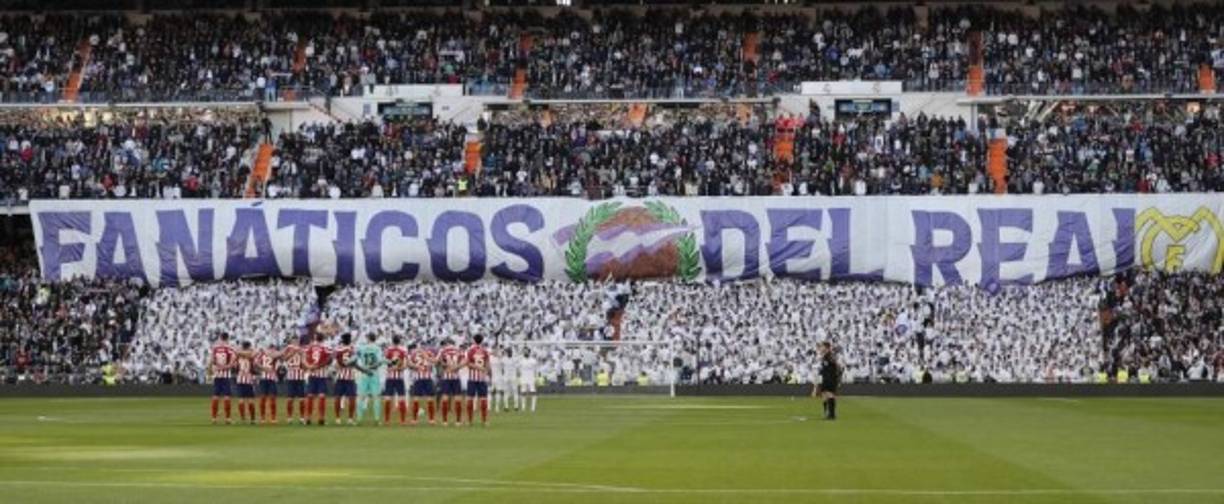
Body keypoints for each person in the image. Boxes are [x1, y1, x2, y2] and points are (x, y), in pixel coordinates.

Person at [354, 333, 384, 425]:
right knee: (376, 397)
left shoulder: (362, 348)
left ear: (368, 338)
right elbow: (379, 362)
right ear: (375, 339)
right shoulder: (378, 349)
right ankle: (377, 419)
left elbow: (354, 360)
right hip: (374, 373)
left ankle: (359, 419)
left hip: (364, 373)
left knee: (360, 397)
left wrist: (364, 368)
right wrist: (372, 368)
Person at [303, 332, 332, 425]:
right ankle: (321, 418)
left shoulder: (309, 347)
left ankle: (308, 418)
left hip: (312, 375)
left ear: (315, 338)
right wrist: (320, 365)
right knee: (321, 397)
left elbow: (303, 358)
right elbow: (330, 358)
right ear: (323, 339)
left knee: (310, 396)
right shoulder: (326, 348)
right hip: (322, 376)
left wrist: (308, 366)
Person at [208, 332, 237, 425]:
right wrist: (225, 367)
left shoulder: (215, 348)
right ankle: (227, 419)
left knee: (215, 396)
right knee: (227, 396)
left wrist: (217, 367)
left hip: (217, 375)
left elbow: (212, 361)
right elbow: (232, 363)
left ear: (220, 338)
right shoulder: (231, 348)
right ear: (228, 338)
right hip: (226, 375)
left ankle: (214, 418)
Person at [332, 333, 360, 426]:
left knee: (337, 397)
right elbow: (356, 362)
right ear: (350, 340)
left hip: (340, 377)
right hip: (350, 377)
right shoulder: (353, 350)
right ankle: (350, 419)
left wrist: (340, 366)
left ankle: (337, 419)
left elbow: (335, 365)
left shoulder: (338, 350)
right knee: (352, 398)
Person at [465, 334, 492, 427]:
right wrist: (487, 373)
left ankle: (469, 421)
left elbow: (468, 364)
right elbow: (488, 365)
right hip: (482, 378)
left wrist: (477, 368)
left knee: (470, 399)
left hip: (472, 378)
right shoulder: (485, 351)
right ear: (482, 340)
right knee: (483, 399)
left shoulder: (470, 350)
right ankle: (484, 421)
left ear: (473, 340)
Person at [437, 339, 465, 426]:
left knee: (445, 398)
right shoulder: (458, 351)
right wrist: (457, 367)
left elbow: (438, 361)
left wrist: (444, 365)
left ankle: (445, 421)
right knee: (458, 399)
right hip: (456, 377)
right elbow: (464, 361)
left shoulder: (443, 351)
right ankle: (458, 421)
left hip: (446, 377)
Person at [382, 336, 409, 426]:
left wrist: (391, 368)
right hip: (399, 378)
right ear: (399, 341)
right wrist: (398, 368)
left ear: (392, 341)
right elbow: (405, 365)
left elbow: (384, 362)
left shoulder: (388, 351)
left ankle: (387, 420)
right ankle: (403, 420)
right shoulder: (403, 351)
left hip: (389, 378)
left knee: (387, 399)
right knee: (402, 399)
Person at [408, 341, 437, 425]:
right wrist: (415, 366)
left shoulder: (426, 353)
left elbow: (435, 361)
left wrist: (426, 358)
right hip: (419, 379)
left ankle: (430, 419)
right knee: (417, 399)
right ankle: (416, 419)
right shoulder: (416, 354)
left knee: (429, 399)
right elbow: (409, 363)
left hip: (426, 379)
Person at [812, 342, 842, 421]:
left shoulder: (829, 356)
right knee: (824, 394)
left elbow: (837, 366)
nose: (821, 348)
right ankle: (827, 413)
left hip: (830, 378)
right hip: (825, 378)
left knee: (829, 394)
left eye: (822, 347)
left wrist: (837, 378)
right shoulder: (824, 357)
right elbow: (823, 369)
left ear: (826, 348)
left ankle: (832, 415)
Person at [254, 343, 281, 424]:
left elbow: (277, 367)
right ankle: (262, 418)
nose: (272, 350)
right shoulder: (262, 355)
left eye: (273, 348)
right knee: (262, 398)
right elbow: (255, 363)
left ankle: (273, 418)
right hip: (263, 379)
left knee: (272, 399)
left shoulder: (276, 356)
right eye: (271, 348)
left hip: (272, 379)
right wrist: (264, 368)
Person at [282, 336, 307, 424]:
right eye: (294, 340)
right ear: (291, 341)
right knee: (290, 398)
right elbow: (284, 358)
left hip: (300, 376)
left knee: (302, 399)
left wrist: (301, 354)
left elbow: (304, 363)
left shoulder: (302, 350)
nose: (296, 342)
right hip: (291, 376)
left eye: (297, 340)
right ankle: (289, 418)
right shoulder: (288, 348)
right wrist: (292, 353)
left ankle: (302, 418)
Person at [235, 341, 257, 425]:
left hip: (240, 379)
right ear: (248, 347)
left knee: (241, 400)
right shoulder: (251, 355)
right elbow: (254, 354)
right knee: (250, 400)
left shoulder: (238, 355)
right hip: (248, 379)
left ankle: (243, 419)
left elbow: (237, 352)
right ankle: (252, 419)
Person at [518, 349, 539, 413]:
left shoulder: (533, 361)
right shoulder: (521, 360)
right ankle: (523, 407)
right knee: (523, 392)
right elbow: (518, 370)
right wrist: (519, 377)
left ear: (529, 352)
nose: (525, 353)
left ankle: (533, 408)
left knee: (533, 392)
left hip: (531, 378)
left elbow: (536, 370)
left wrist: (536, 378)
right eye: (524, 352)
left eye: (526, 352)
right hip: (523, 378)